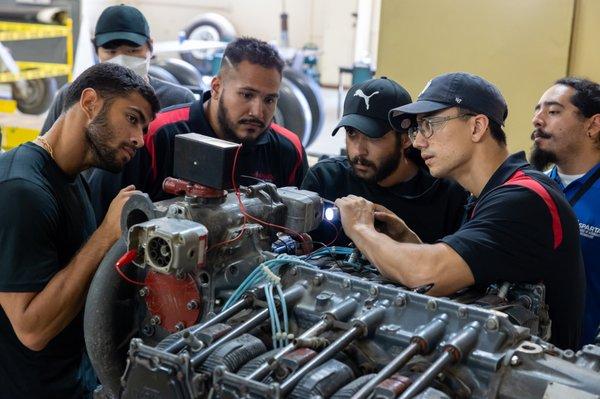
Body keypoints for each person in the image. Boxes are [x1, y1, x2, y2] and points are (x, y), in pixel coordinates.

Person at [335, 72, 585, 350]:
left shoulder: (525, 200)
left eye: (429, 124)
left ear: (477, 127)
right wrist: (408, 242)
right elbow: (470, 282)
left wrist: (360, 228)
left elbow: (426, 275)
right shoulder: (487, 195)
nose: (418, 142)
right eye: (417, 128)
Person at [0, 63, 160, 398]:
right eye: (132, 119)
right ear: (90, 102)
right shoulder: (22, 190)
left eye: (144, 129)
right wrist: (105, 235)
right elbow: (32, 330)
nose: (139, 140)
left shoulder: (71, 180)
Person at [87, 36, 308, 220]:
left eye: (269, 100)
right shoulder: (155, 136)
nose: (258, 112)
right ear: (216, 87)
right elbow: (97, 216)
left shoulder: (288, 150)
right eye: (246, 95)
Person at [301, 77, 467, 245]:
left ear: (406, 139)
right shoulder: (325, 180)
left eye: (373, 137)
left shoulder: (447, 196)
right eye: (351, 133)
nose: (359, 150)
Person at [40, 4, 195, 133]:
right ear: (96, 51)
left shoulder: (178, 101)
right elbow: (43, 155)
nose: (121, 60)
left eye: (132, 51)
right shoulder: (72, 97)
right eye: (111, 52)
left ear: (150, 47)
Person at [531, 77, 600, 345]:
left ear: (593, 125)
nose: (538, 120)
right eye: (537, 110)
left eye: (553, 111)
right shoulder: (531, 188)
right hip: (526, 350)